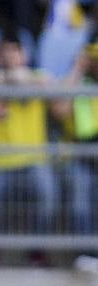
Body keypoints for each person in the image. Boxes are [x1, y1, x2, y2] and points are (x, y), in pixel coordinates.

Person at [0, 31, 58, 266]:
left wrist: (22, 78)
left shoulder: (37, 78)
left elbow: (50, 85)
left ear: (24, 55)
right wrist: (7, 78)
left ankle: (37, 250)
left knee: (48, 197)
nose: (9, 56)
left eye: (14, 51)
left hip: (33, 159)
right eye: (3, 52)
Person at [52, 37, 98, 273]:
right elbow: (59, 110)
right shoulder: (75, 82)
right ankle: (86, 252)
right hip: (78, 154)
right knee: (81, 192)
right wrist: (79, 68)